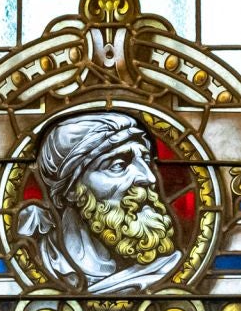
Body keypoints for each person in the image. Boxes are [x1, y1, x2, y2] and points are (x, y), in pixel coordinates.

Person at [15, 110, 181, 293]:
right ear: (70, 191)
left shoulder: (169, 269)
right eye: (118, 165)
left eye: (146, 161)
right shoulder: (40, 260)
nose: (149, 178)